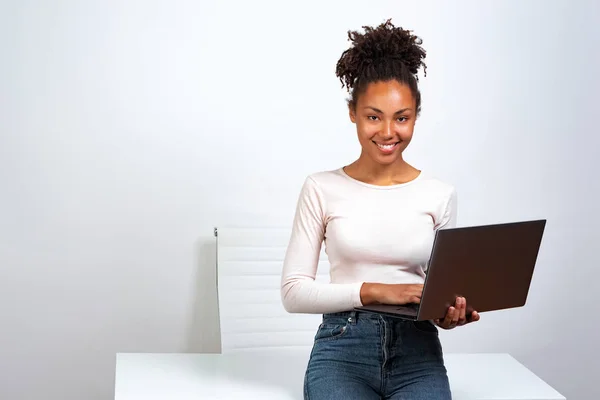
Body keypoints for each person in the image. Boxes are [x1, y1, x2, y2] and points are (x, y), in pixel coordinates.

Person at [280, 19, 480, 399]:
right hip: (342, 348)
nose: (388, 132)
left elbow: (439, 291)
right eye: (374, 116)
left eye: (401, 117)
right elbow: (294, 293)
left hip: (417, 351)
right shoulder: (321, 188)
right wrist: (385, 291)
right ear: (353, 112)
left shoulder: (439, 194)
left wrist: (450, 314)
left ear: (416, 115)